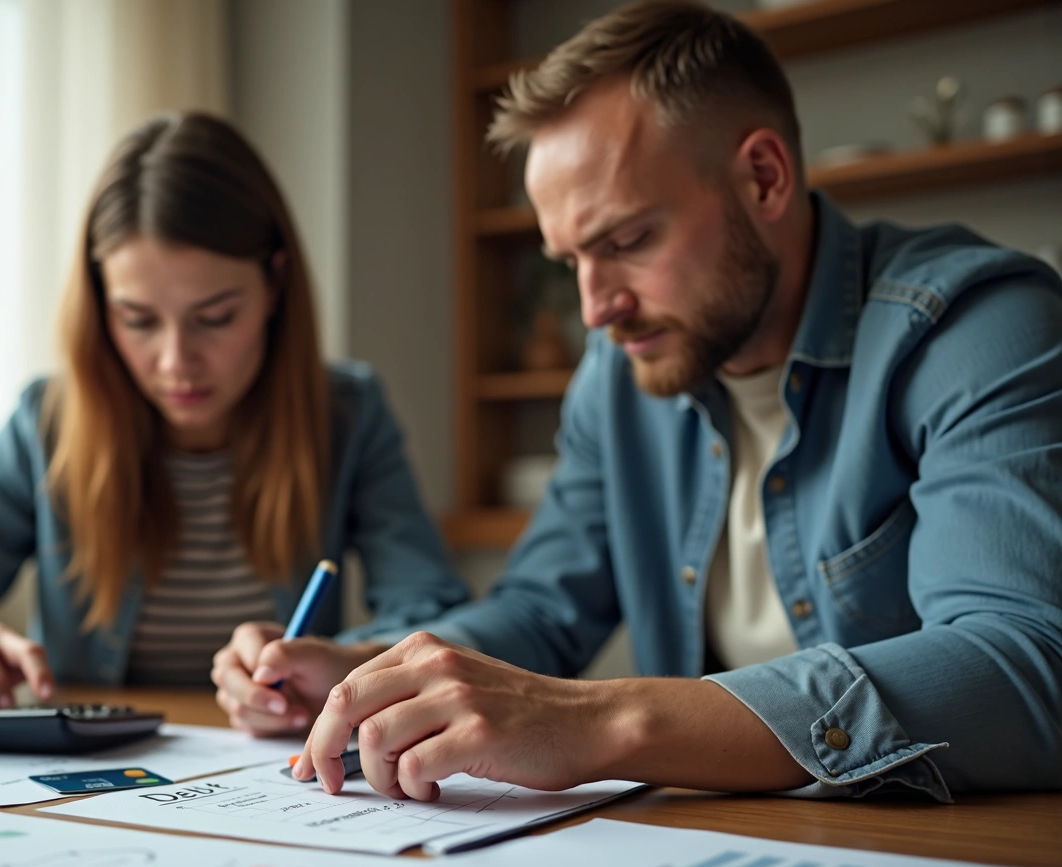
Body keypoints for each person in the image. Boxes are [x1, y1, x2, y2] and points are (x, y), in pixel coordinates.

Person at [218, 0, 1062, 802]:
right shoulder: (618, 374)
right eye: (570, 261)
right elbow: (543, 612)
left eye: (626, 242)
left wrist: (602, 721)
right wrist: (370, 672)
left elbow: (1025, 664)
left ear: (764, 178)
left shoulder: (979, 329)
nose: (595, 308)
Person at [0, 112, 467, 710]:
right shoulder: (48, 426)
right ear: (100, 306)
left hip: (278, 784)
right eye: (138, 319)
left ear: (275, 283)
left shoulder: (347, 416)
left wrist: (347, 663)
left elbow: (431, 616)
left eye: (216, 317)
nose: (177, 360)